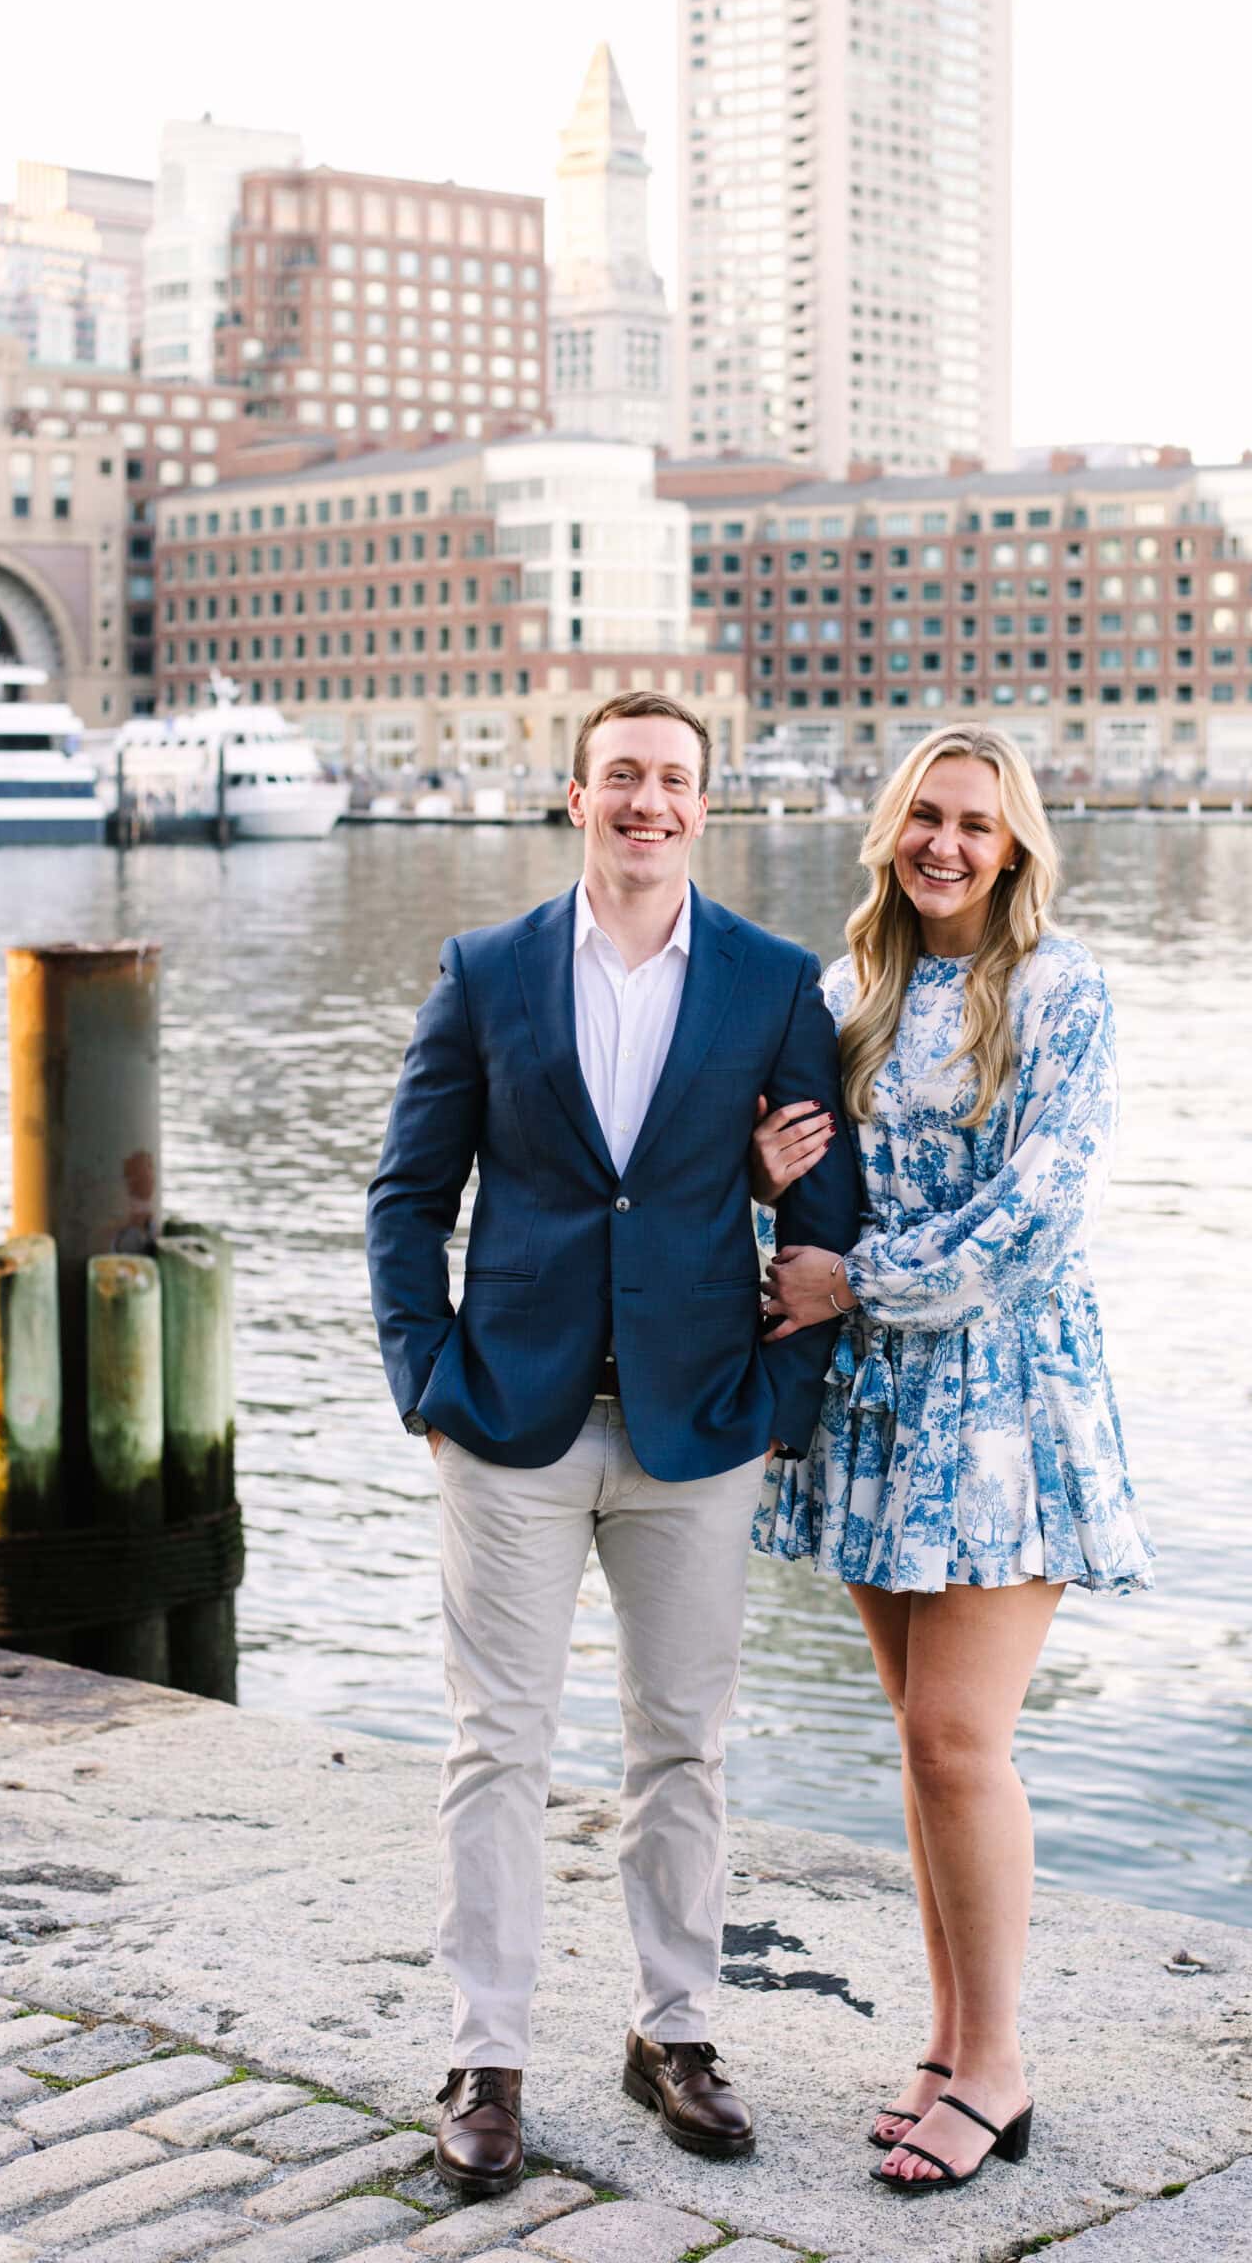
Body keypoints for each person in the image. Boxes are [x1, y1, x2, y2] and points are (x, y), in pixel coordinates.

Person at [366, 690, 861, 2199]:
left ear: (705, 808)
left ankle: (674, 2034)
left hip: (696, 1424)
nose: (648, 802)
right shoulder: (487, 970)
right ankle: (484, 2057)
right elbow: (406, 1196)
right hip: (509, 1422)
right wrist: (425, 1380)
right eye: (621, 779)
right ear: (573, 797)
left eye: (673, 782)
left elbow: (824, 1227)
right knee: (495, 1746)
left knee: (681, 1746)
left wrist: (779, 1409)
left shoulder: (778, 987)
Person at [750, 724, 1154, 2198]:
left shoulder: (1062, 990)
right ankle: (945, 2043)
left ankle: (997, 2068)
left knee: (956, 1742)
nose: (945, 844)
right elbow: (802, 1177)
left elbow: (1039, 1211)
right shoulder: (843, 989)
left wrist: (852, 1281)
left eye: (976, 825)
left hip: (1005, 1399)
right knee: (921, 1752)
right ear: (888, 830)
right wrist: (771, 1197)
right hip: (871, 1410)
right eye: (924, 816)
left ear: (1016, 845)